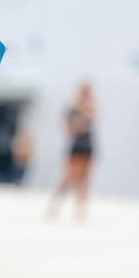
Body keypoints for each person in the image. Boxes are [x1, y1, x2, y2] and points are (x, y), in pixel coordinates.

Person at [47, 82, 98, 220]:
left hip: (88, 147)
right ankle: (56, 203)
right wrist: (78, 125)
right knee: (69, 177)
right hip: (76, 147)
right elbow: (68, 128)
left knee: (85, 179)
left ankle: (81, 208)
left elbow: (95, 117)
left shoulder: (90, 108)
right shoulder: (73, 109)